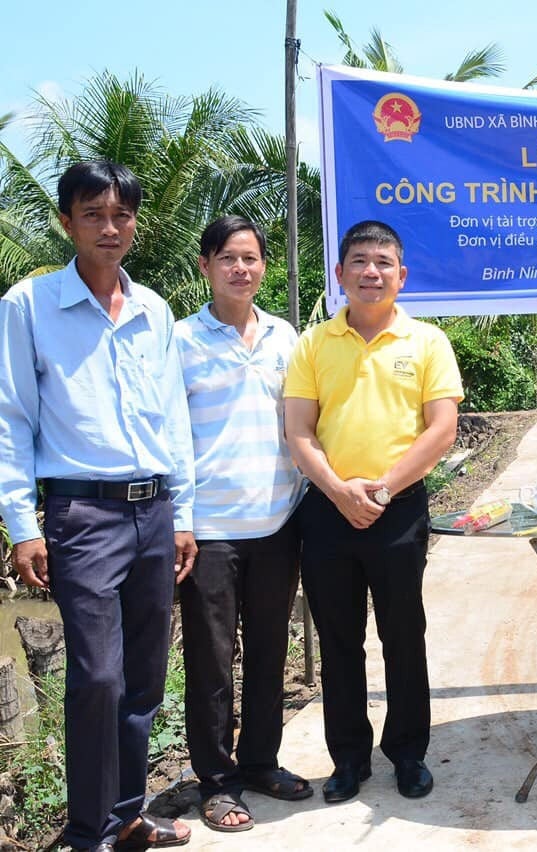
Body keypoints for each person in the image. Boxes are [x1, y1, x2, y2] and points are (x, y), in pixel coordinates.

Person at [0, 160, 195, 851]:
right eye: (93, 215)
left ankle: (128, 817)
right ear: (66, 222)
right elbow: (12, 418)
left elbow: (173, 419)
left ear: (135, 222)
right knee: (98, 679)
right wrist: (24, 525)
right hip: (82, 516)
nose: (109, 228)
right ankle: (89, 834)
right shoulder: (30, 306)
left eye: (121, 215)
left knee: (143, 680)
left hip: (155, 510)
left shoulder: (154, 310)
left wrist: (184, 514)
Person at [284, 220, 463, 804]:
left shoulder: (428, 342)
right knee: (339, 641)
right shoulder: (312, 344)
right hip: (328, 513)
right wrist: (339, 491)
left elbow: (441, 430)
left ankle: (408, 754)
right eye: (359, 261)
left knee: (403, 636)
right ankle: (349, 761)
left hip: (399, 511)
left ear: (401, 275)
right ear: (339, 274)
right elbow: (299, 431)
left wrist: (381, 491)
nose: (370, 272)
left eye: (383, 262)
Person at [174, 216, 311, 832]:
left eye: (251, 258)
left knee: (267, 650)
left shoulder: (287, 336)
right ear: (206, 266)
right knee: (209, 660)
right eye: (228, 257)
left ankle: (260, 762)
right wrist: (179, 521)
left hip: (278, 520)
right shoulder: (179, 341)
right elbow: (168, 437)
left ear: (263, 266)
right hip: (210, 528)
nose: (241, 269)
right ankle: (218, 781)